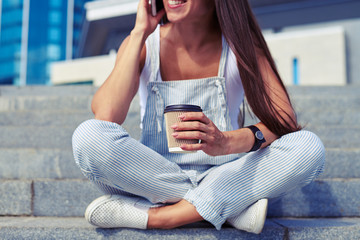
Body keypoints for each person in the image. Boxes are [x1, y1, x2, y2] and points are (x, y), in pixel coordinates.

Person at [72, 0, 325, 234]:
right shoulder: (143, 43)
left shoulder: (239, 46)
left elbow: (284, 120)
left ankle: (163, 216)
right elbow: (105, 115)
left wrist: (226, 142)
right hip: (155, 176)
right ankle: (228, 208)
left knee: (308, 147)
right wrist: (139, 32)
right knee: (88, 137)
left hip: (227, 174)